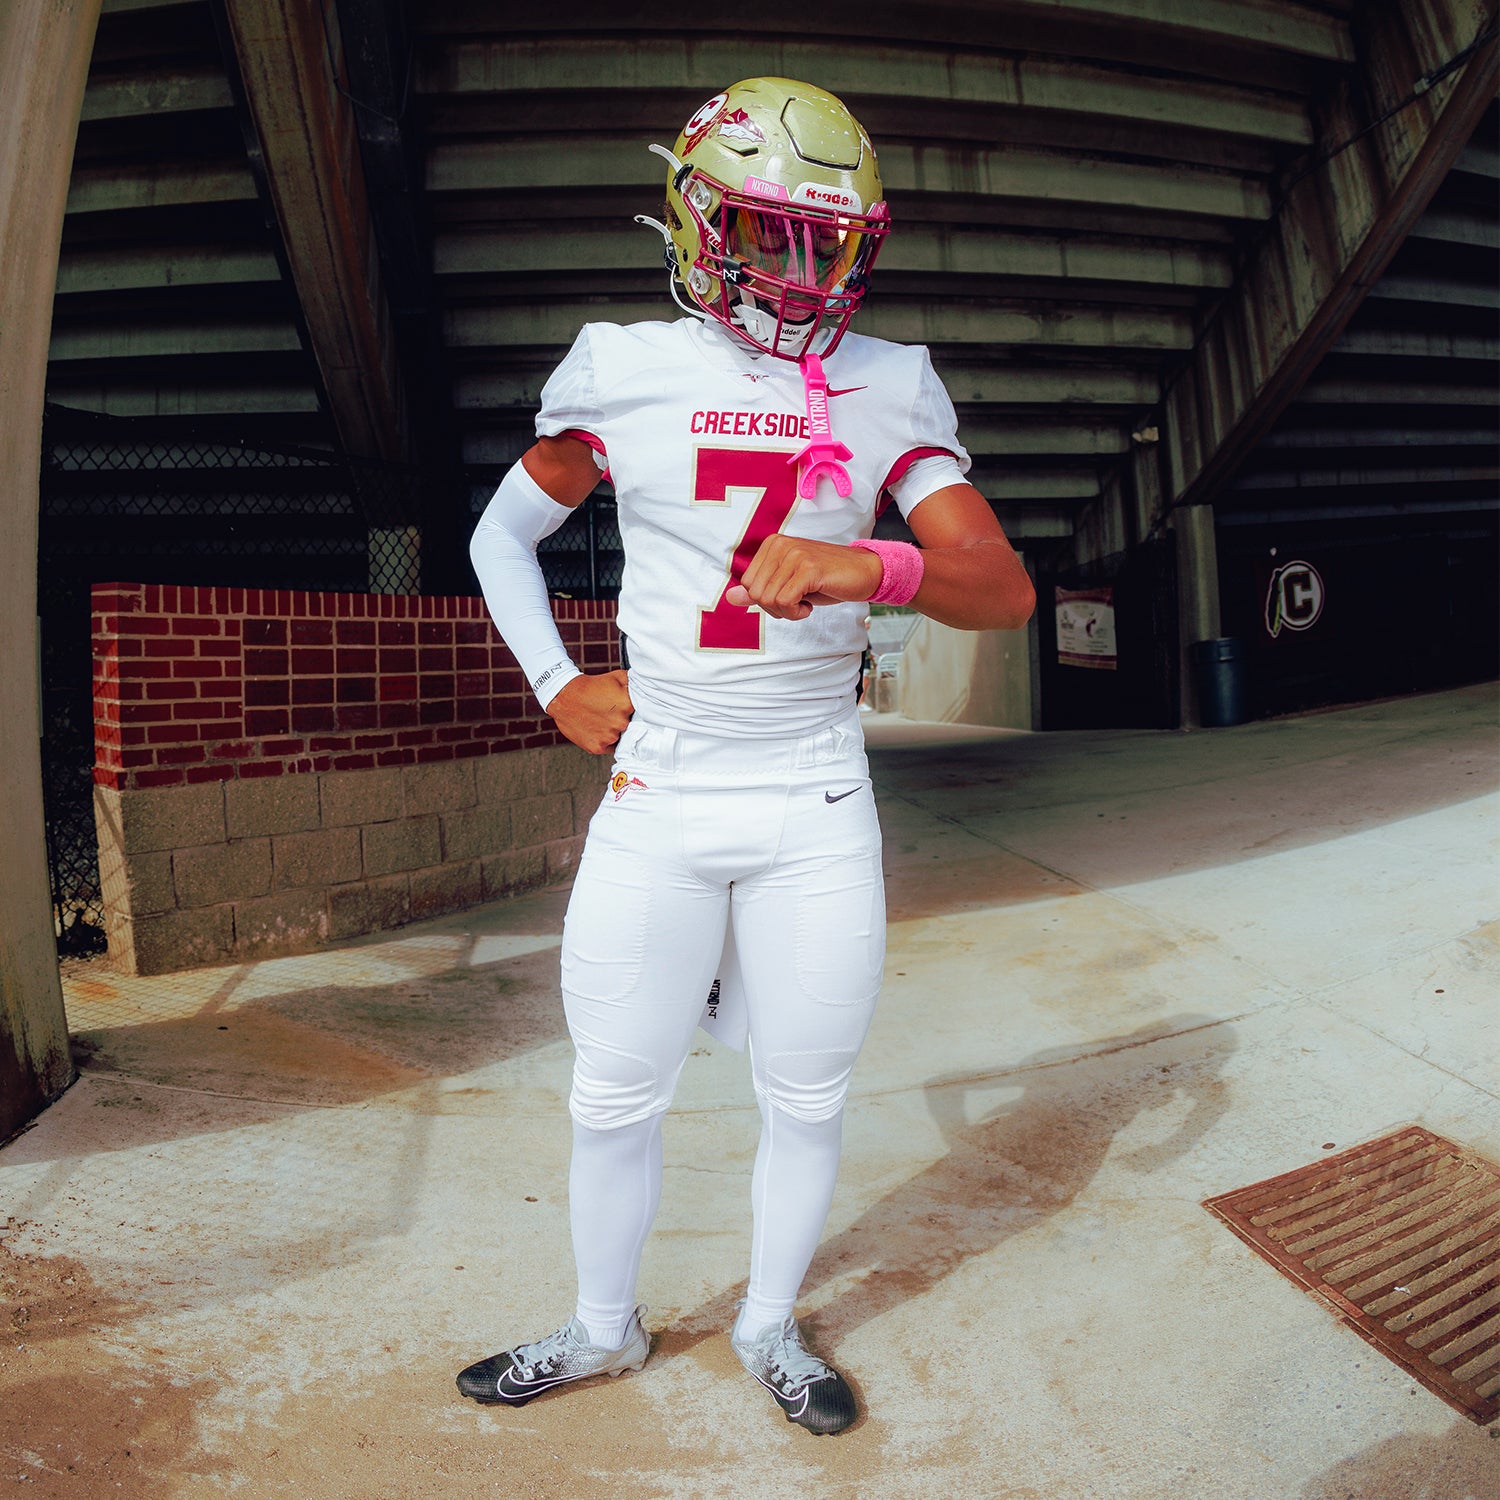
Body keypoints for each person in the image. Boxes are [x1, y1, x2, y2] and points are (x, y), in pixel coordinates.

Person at [460, 77, 1035, 1436]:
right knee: (613, 1093)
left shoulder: (889, 381)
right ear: (699, 221)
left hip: (814, 790)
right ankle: (602, 1329)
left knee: (809, 1092)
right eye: (767, 233)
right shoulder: (624, 362)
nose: (796, 268)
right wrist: (554, 682)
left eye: (822, 240)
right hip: (663, 784)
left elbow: (999, 587)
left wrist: (868, 562)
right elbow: (502, 538)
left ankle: (769, 1323)